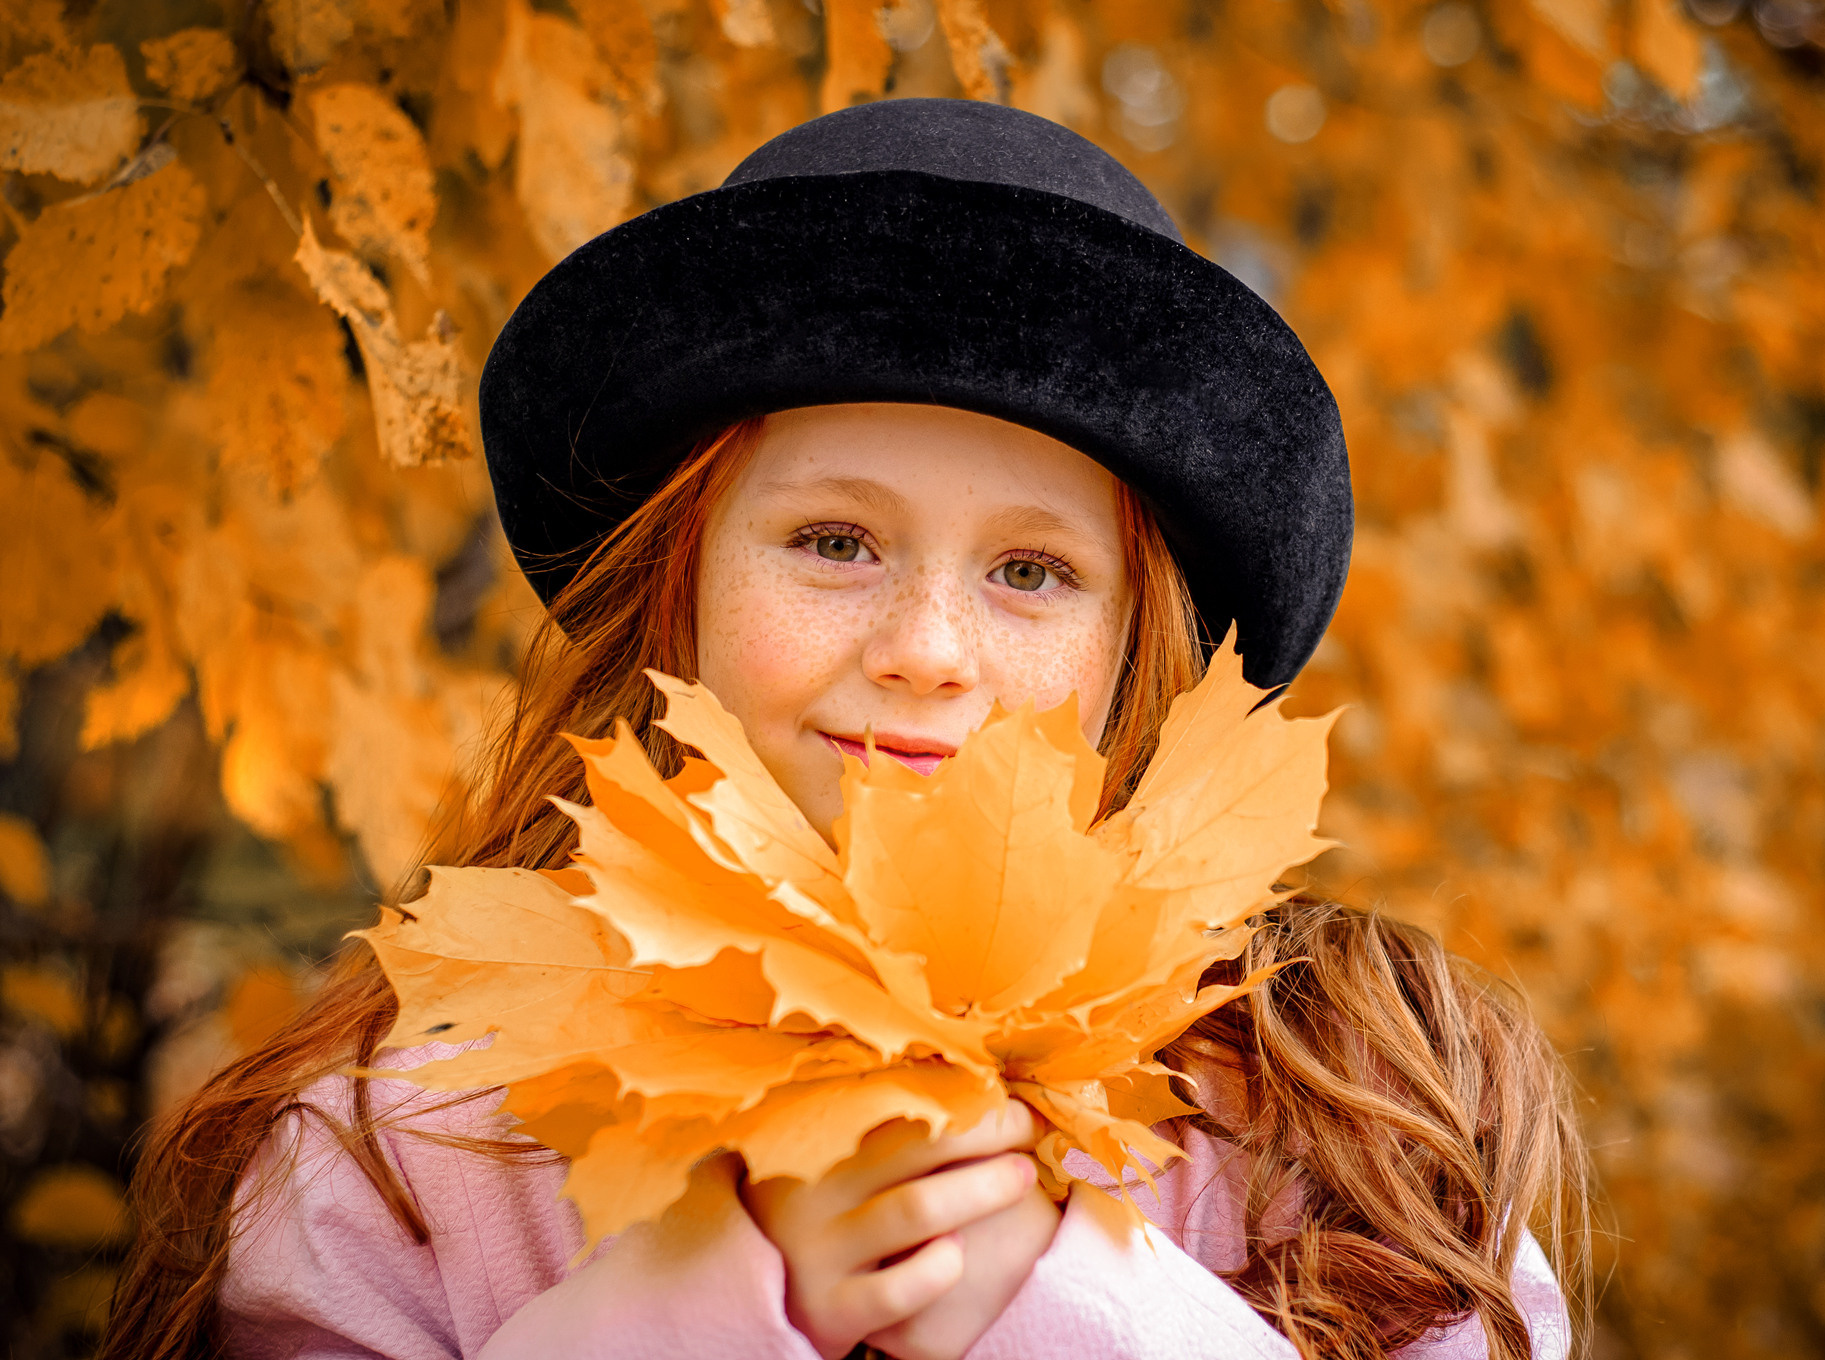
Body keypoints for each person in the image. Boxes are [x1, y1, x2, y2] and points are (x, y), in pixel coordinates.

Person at [105, 100, 1592, 1360]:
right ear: (669, 592)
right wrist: (693, 1315)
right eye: (833, 542)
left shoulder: (1339, 1107)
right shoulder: (404, 1145)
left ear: (1143, 653)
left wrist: (1061, 1304)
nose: (927, 653)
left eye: (1031, 573)